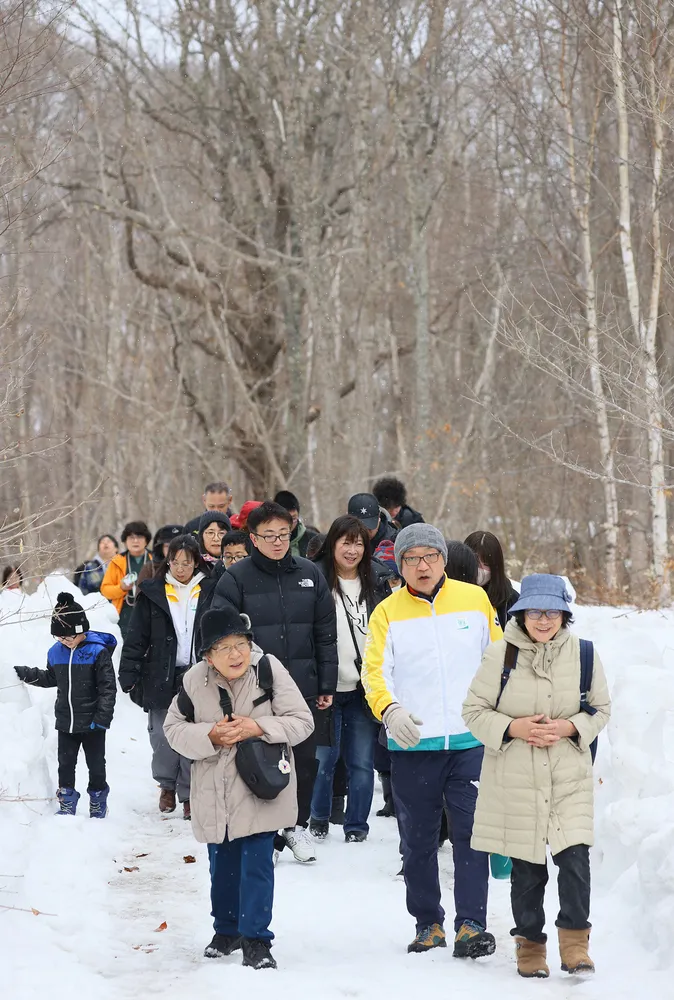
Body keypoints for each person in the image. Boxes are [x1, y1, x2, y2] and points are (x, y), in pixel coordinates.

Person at [361, 523, 502, 958]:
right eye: (411, 559)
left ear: (443, 559)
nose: (422, 566)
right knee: (418, 841)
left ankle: (471, 924)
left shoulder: (474, 599)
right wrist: (389, 710)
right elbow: (375, 673)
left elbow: (496, 661)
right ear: (399, 566)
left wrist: (496, 715)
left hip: (469, 742)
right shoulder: (387, 611)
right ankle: (428, 923)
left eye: (430, 557)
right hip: (413, 745)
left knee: (472, 835)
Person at [462, 574, 610, 979]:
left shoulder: (584, 654)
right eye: (534, 612)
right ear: (521, 613)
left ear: (564, 614)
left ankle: (575, 945)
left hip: (567, 778)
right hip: (516, 779)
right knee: (528, 872)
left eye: (551, 612)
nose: (543, 620)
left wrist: (569, 728)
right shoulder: (501, 655)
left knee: (575, 863)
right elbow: (474, 712)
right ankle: (530, 946)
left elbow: (600, 709)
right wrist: (514, 728)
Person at [164, 606, 314, 969]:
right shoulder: (193, 681)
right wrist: (210, 735)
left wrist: (259, 728)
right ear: (207, 656)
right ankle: (227, 930)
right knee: (222, 866)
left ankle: (257, 940)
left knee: (257, 865)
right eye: (224, 647)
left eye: (241, 644)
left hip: (260, 787)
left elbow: (302, 721)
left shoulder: (269, 669)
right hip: (213, 791)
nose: (236, 654)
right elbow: (173, 729)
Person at [212, 500, 337, 864]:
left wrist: (326, 683)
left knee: (303, 760)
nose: (278, 542)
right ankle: (264, 833)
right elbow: (222, 634)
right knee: (261, 759)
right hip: (255, 687)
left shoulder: (309, 573)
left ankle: (295, 827)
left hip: (304, 685)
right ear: (253, 538)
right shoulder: (236, 579)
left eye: (283, 534)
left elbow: (325, 634)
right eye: (269, 536)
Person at [118, 535, 216, 819]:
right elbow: (136, 637)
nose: (181, 567)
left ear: (196, 562)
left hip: (198, 673)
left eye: (187, 561)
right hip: (161, 673)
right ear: (168, 561)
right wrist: (129, 673)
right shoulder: (152, 592)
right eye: (176, 561)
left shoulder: (210, 589)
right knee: (162, 734)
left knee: (193, 735)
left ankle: (188, 793)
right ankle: (166, 784)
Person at [309, 516, 389, 842]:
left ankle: (357, 826)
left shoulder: (377, 583)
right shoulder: (316, 580)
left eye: (359, 543)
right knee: (323, 760)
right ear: (333, 544)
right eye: (346, 542)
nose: (352, 550)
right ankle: (318, 817)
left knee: (361, 762)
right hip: (327, 686)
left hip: (362, 688)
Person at [14, 592, 116, 817]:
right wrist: (24, 674)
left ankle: (98, 800)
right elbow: (51, 678)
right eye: (60, 638)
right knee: (65, 765)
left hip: (92, 723)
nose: (65, 641)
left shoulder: (97, 652)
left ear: (81, 630)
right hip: (66, 722)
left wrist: (102, 718)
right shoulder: (55, 652)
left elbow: (108, 688)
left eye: (69, 637)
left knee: (96, 766)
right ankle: (67, 801)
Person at [100, 521, 152, 639]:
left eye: (139, 537)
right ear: (125, 541)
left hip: (150, 612)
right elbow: (105, 590)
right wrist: (121, 588)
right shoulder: (117, 561)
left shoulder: (155, 559)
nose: (135, 541)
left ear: (146, 540)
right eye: (131, 537)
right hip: (125, 613)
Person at [464, 530, 519, 630]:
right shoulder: (448, 593)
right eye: (475, 561)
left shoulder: (511, 601)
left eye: (486, 564)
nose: (479, 569)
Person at [274, 490, 318, 558]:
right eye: (286, 519)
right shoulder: (266, 541)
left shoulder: (313, 540)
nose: (290, 523)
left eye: (293, 518)